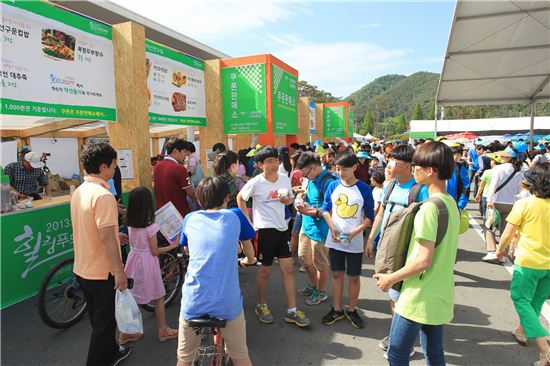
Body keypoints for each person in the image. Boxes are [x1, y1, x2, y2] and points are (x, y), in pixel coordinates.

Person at [373, 141, 460, 366]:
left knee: (397, 354)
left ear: (430, 171)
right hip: (439, 293)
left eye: (417, 166)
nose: (414, 170)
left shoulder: (429, 208)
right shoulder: (449, 203)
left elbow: (423, 260)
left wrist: (390, 278)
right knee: (433, 353)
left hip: (418, 296)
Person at [177, 177, 257, 366]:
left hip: (193, 301)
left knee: (184, 359)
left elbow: (187, 249)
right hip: (226, 304)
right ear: (226, 197)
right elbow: (248, 247)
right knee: (241, 356)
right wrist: (249, 260)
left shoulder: (190, 218)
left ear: (199, 198)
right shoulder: (236, 215)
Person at [70, 142, 131, 366]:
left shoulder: (80, 191)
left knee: (99, 321)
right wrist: (119, 271)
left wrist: (117, 237)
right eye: (114, 165)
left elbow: (97, 231)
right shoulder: (104, 196)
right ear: (104, 166)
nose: (115, 169)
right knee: (104, 326)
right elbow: (105, 237)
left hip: (83, 268)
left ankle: (112, 352)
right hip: (102, 271)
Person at [236, 146, 311, 327]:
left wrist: (288, 201)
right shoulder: (256, 182)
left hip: (281, 228)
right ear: (260, 164)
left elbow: (291, 199)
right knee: (265, 270)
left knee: (288, 269)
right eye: (269, 161)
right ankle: (261, 305)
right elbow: (240, 198)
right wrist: (248, 222)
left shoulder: (284, 179)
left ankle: (292, 310)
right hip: (263, 231)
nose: (274, 164)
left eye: (276, 160)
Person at [365, 144, 429, 354]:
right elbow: (381, 213)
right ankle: (398, 336)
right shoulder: (390, 186)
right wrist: (371, 239)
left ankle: (403, 343)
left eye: (394, 161)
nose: (389, 165)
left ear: (409, 166)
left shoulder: (420, 190)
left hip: (406, 251)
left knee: (400, 296)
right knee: (393, 295)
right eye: (389, 159)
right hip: (388, 249)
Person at [495, 163, 550, 366]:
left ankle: (545, 350)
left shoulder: (526, 205)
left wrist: (499, 250)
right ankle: (522, 331)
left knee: (520, 298)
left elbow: (508, 232)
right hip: (548, 266)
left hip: (529, 261)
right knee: (536, 302)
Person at [119, 187, 179, 345]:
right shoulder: (150, 226)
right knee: (158, 297)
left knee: (131, 296)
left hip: (133, 260)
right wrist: (173, 246)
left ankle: (127, 331)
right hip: (147, 263)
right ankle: (163, 330)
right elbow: (155, 250)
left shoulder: (130, 223)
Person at [321, 151, 374, 329]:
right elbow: (326, 209)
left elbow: (369, 217)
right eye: (337, 169)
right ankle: (336, 308)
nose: (341, 173)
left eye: (344, 169)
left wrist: (355, 232)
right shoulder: (333, 185)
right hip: (335, 238)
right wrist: (331, 227)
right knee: (336, 274)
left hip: (355, 240)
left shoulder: (364, 189)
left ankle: (351, 309)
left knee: (353, 276)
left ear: (354, 167)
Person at [295, 152, 336, 306]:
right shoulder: (310, 179)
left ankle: (321, 291)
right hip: (307, 225)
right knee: (303, 257)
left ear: (313, 168)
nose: (305, 177)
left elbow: (332, 210)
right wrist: (300, 197)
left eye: (305, 174)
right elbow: (308, 195)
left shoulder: (329, 181)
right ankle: (313, 285)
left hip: (321, 228)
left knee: (320, 262)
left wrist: (310, 211)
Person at [483, 146, 523, 263]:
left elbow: (493, 186)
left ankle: (491, 251)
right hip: (510, 203)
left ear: (506, 157)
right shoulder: (518, 171)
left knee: (489, 226)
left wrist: (489, 201)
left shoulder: (499, 168)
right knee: (505, 229)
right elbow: (518, 191)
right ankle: (503, 255)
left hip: (495, 201)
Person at [153, 137, 198, 218]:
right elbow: (191, 194)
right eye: (184, 151)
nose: (186, 155)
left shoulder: (157, 166)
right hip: (179, 214)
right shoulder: (180, 169)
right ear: (175, 151)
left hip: (162, 216)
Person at [474, 153, 501, 219]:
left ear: (493, 161)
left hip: (486, 195)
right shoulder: (503, 172)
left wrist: (478, 194)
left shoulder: (487, 172)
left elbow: (481, 185)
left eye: (491, 160)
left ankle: (487, 227)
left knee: (487, 214)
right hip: (498, 195)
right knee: (496, 214)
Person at [448, 145, 471, 210]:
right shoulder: (440, 166)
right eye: (454, 154)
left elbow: (466, 185)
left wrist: (461, 204)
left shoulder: (460, 167)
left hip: (455, 202)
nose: (456, 156)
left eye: (458, 154)